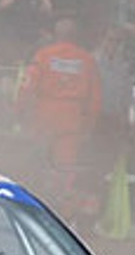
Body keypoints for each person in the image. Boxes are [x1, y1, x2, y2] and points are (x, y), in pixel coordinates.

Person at [16, 17, 103, 214]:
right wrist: (88, 127)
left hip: (44, 116)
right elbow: (95, 99)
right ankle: (62, 213)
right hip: (72, 120)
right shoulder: (87, 60)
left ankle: (35, 207)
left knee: (39, 164)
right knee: (65, 170)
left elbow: (27, 87)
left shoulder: (43, 55)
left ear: (56, 35)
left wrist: (21, 113)